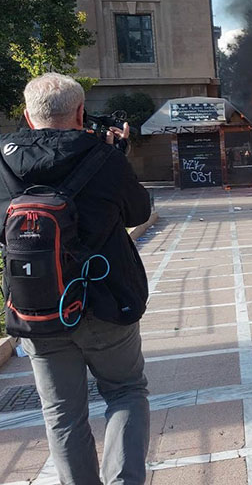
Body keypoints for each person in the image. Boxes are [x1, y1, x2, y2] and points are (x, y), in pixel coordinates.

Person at [0, 73, 152, 484]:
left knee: (62, 414)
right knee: (125, 392)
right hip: (105, 299)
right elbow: (139, 212)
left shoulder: (2, 158)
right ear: (81, 112)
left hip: (35, 305)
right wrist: (120, 155)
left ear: (29, 117)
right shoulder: (104, 156)